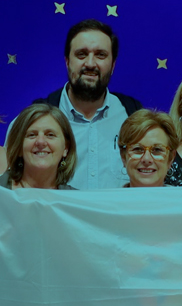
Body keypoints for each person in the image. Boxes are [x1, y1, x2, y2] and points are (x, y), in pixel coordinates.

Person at [32, 19, 142, 189]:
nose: (90, 64)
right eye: (81, 54)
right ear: (67, 61)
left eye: (100, 55)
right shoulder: (35, 119)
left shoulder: (133, 114)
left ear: (113, 65)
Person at [0, 104, 77, 190]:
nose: (40, 142)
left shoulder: (77, 198)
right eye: (32, 135)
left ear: (66, 148)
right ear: (19, 147)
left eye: (50, 135)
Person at [117, 110, 178, 188]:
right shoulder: (106, 196)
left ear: (171, 158)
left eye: (157, 150)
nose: (146, 159)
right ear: (123, 156)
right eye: (138, 149)